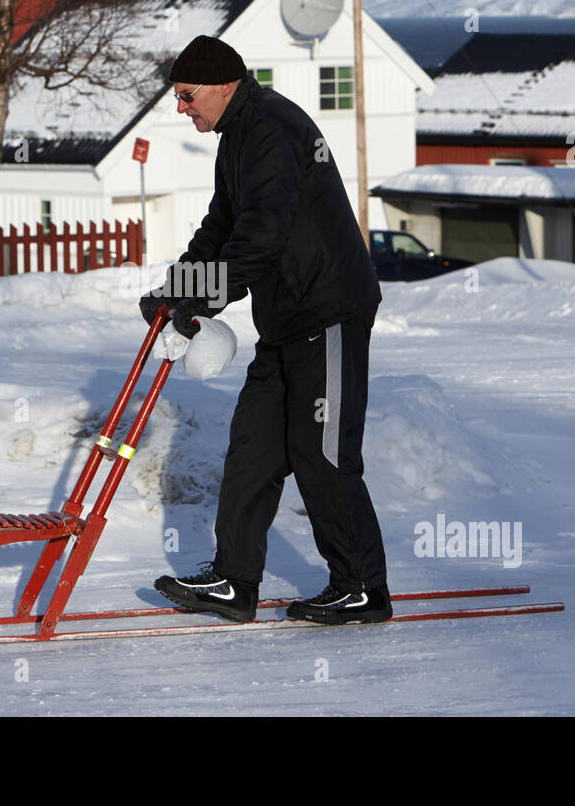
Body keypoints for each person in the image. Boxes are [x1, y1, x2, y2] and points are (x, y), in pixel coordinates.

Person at [141, 34, 391, 625]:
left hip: (328, 312)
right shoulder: (238, 136)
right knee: (253, 448)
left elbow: (260, 239)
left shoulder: (271, 131)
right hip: (286, 321)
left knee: (322, 452)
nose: (180, 107)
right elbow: (221, 226)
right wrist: (176, 290)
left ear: (224, 85)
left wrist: (203, 298)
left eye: (186, 95)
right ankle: (234, 580)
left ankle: (361, 586)